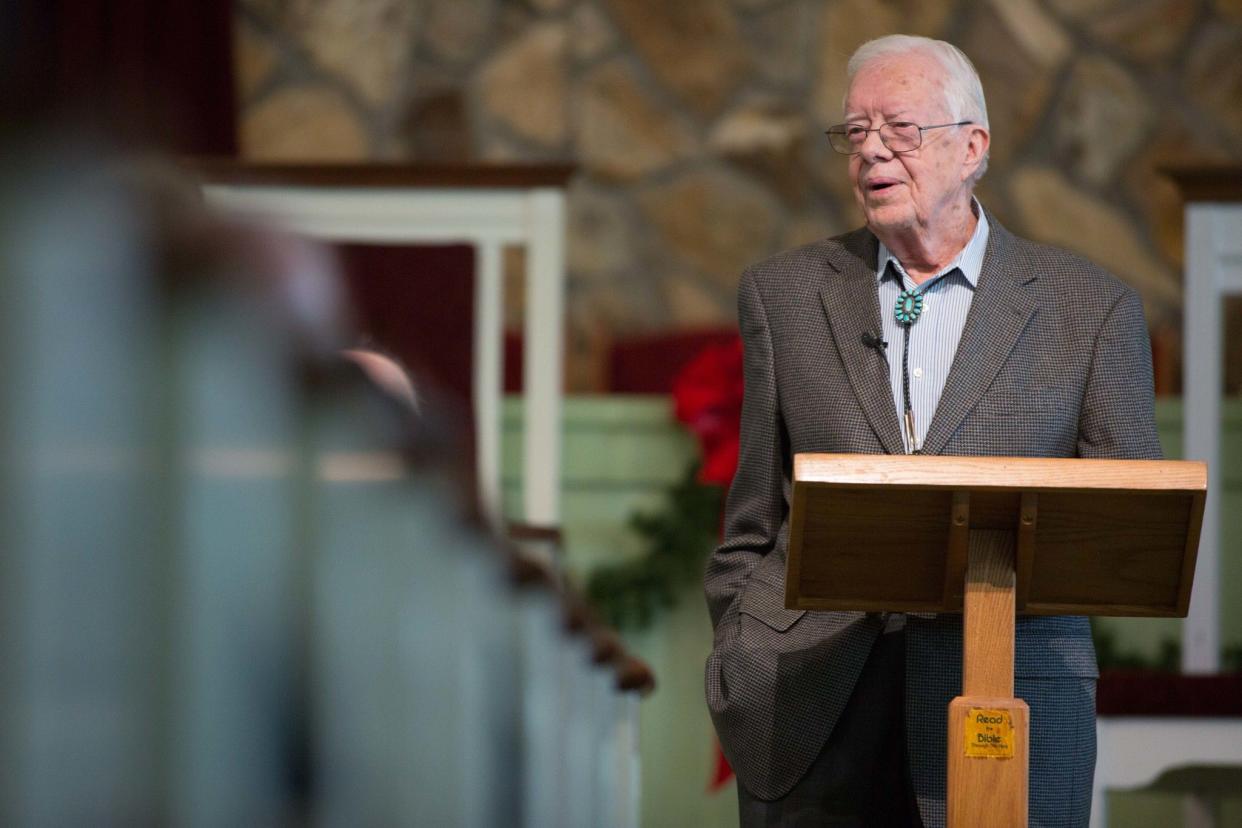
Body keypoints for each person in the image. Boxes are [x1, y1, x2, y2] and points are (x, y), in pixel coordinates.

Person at [704, 34, 1161, 828]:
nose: (871, 150)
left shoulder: (1092, 310)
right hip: (809, 693)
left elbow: (1127, 530)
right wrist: (745, 645)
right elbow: (751, 523)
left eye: (900, 129)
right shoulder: (784, 296)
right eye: (855, 131)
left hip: (1005, 690)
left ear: (972, 147)